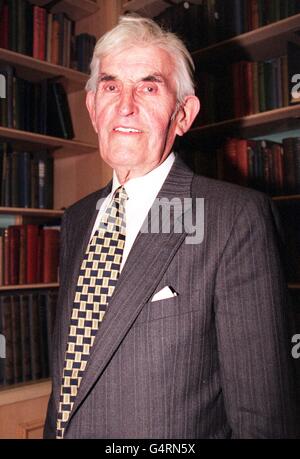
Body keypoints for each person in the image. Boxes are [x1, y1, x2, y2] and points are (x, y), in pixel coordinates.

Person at [44, 15, 297, 439]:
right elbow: (72, 370)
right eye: (110, 86)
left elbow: (263, 417)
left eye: (148, 86)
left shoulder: (232, 218)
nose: (125, 105)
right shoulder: (77, 218)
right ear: (92, 108)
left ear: (183, 114)